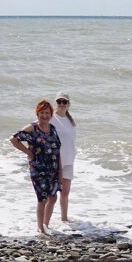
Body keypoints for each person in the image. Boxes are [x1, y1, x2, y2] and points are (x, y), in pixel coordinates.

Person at [10, 99, 62, 235]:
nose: (45, 115)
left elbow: (57, 151)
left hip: (54, 168)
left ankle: (46, 225)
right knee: (42, 199)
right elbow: (13, 139)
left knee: (53, 198)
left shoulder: (52, 129)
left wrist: (60, 172)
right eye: (42, 113)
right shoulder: (32, 128)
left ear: (51, 114)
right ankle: (41, 229)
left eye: (47, 113)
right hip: (38, 169)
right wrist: (28, 152)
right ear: (37, 113)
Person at [50, 92, 76, 222]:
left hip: (69, 161)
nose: (61, 104)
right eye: (59, 101)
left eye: (64, 102)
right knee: (52, 195)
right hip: (55, 162)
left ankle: (64, 219)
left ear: (68, 104)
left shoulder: (71, 121)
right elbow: (36, 127)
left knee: (65, 193)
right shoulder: (51, 118)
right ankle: (44, 223)